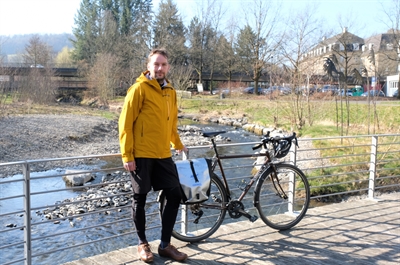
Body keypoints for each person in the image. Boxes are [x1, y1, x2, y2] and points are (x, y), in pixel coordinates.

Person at [118, 48, 188, 263]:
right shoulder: (139, 89)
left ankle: (165, 245)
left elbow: (171, 123)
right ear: (148, 66)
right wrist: (127, 155)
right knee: (139, 199)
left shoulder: (171, 92)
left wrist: (177, 144)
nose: (159, 68)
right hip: (141, 154)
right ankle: (142, 245)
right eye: (156, 64)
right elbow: (125, 124)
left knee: (175, 194)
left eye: (163, 65)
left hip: (162, 154)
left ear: (168, 67)